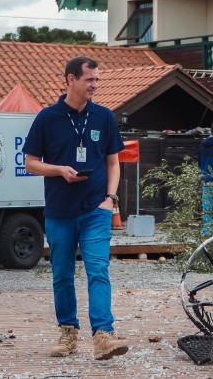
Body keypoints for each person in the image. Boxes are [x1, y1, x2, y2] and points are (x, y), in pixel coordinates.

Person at [23, 56, 128, 360]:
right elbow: (30, 162)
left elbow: (113, 162)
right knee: (62, 274)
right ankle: (68, 332)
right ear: (71, 79)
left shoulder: (104, 117)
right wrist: (59, 171)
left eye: (97, 79)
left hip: (96, 209)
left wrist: (110, 199)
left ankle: (104, 334)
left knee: (98, 270)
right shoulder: (47, 117)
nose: (95, 85)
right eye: (89, 79)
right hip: (59, 211)